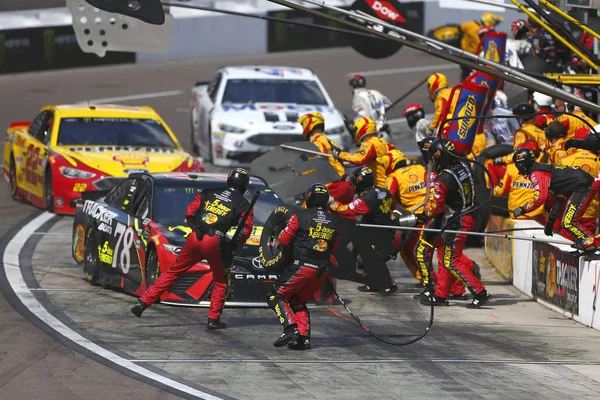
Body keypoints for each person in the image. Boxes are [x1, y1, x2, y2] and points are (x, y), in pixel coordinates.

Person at [131, 168, 254, 329]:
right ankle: (213, 319)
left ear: (229, 180)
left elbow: (190, 213)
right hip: (215, 241)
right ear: (244, 185)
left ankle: (143, 302)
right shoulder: (244, 204)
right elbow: (246, 230)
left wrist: (197, 228)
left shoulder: (208, 192)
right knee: (220, 281)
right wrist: (234, 244)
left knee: (173, 272)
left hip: (195, 237)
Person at [415, 138, 491, 308]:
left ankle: (480, 292)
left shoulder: (442, 179)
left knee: (451, 261)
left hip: (458, 222)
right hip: (468, 214)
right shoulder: (464, 165)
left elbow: (435, 207)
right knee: (443, 254)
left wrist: (424, 215)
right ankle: (441, 295)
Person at [268, 183, 341, 350]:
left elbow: (284, 240)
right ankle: (303, 339)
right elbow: (334, 248)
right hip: (322, 271)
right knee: (298, 300)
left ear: (309, 197)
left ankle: (290, 328)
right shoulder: (335, 221)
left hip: (302, 266)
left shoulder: (299, 215)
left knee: (275, 295)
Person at [329, 166, 398, 294]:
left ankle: (388, 284)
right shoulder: (384, 191)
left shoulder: (366, 198)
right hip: (387, 231)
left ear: (360, 181)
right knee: (358, 250)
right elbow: (393, 206)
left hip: (380, 235)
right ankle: (373, 282)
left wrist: (331, 202)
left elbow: (346, 210)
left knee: (367, 256)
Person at [512, 148, 599, 249]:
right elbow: (558, 197)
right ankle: (588, 242)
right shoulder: (542, 169)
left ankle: (592, 243)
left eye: (516, 165)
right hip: (583, 185)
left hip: (584, 186)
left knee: (568, 222)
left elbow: (540, 198)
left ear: (521, 164)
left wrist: (523, 209)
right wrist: (550, 222)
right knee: (567, 222)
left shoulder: (536, 173)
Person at [297, 112, 354, 203]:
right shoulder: (328, 140)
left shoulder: (317, 143)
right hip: (345, 185)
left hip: (332, 188)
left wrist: (300, 174)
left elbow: (316, 165)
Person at [493, 140, 547, 224]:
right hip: (536, 216)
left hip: (515, 215)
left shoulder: (511, 168)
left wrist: (489, 191)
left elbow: (499, 191)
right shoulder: (543, 167)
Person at [558, 132, 600, 238]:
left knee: (566, 242)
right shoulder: (598, 161)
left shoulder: (566, 160)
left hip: (569, 210)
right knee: (587, 241)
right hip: (591, 211)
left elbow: (558, 189)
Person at [332, 117, 390, 188]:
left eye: (355, 130)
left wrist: (340, 154)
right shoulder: (382, 141)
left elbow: (359, 159)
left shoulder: (369, 143)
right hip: (388, 182)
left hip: (381, 186)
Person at [458, 12, 505, 79]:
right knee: (469, 74)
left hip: (471, 55)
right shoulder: (481, 30)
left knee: (469, 74)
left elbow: (459, 28)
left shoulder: (471, 25)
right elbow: (459, 29)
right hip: (469, 55)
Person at [349, 74, 392, 140]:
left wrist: (353, 123)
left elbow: (364, 115)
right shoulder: (375, 92)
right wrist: (380, 110)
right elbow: (389, 104)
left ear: (352, 86)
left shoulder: (358, 97)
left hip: (374, 135)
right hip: (386, 131)